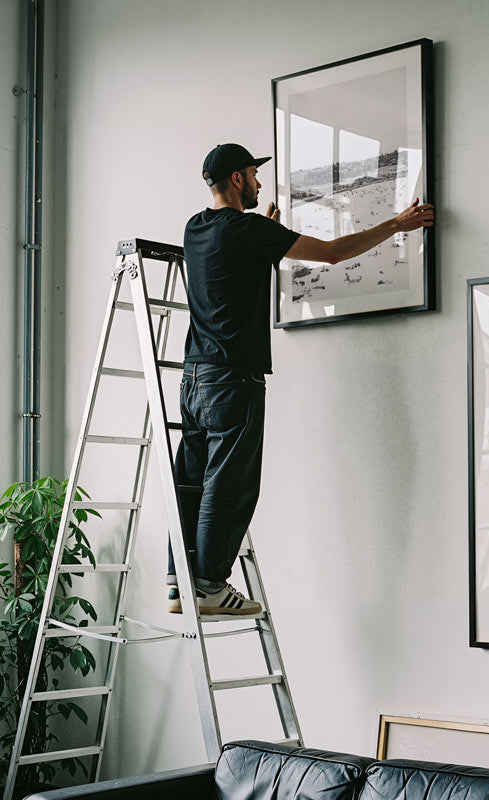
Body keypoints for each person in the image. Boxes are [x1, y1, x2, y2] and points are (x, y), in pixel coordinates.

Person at [167, 143, 434, 616]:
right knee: (229, 484)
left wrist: (266, 233)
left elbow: (234, 266)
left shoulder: (195, 228)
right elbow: (331, 254)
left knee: (191, 480)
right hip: (233, 379)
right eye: (253, 174)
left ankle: (178, 584)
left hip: (193, 377)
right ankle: (209, 585)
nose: (259, 183)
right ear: (235, 180)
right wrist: (398, 224)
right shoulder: (249, 229)